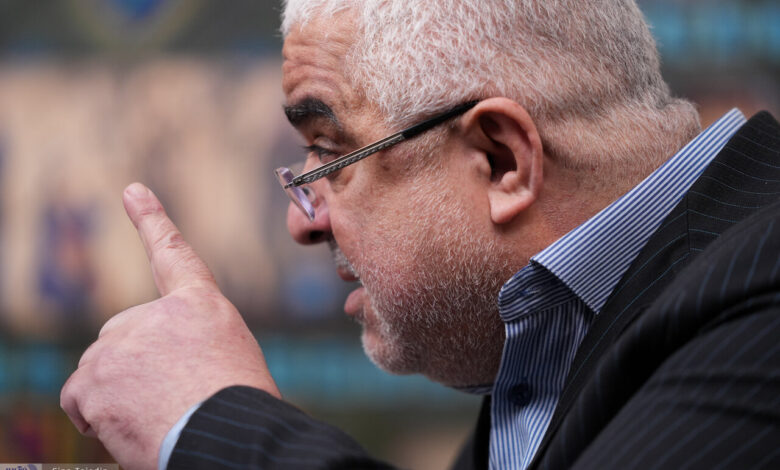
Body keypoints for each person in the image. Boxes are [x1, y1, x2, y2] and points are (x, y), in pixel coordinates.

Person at [60, 0, 780, 469]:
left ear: (500, 161)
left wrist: (209, 422)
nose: (299, 220)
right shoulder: (550, 345)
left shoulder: (766, 291)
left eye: (329, 153)